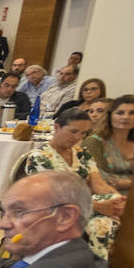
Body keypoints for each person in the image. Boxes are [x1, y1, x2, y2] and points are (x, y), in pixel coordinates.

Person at [22, 110, 124, 258]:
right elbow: (58, 196)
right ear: (57, 127)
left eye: (83, 133)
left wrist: (117, 199)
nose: (78, 137)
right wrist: (99, 206)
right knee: (102, 225)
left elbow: (99, 185)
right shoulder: (40, 157)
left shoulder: (82, 154)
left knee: (117, 217)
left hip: (83, 205)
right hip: (52, 208)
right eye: (73, 131)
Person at [83, 93, 134, 192]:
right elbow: (95, 178)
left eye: (132, 113)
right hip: (107, 196)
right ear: (110, 116)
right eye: (120, 113)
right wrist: (133, 184)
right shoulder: (94, 142)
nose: (125, 117)